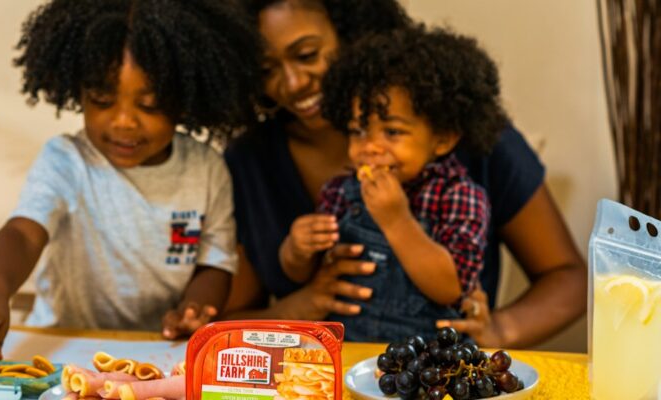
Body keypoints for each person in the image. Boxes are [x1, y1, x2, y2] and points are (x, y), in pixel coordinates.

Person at [223, 0, 586, 348]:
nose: (292, 83)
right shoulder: (254, 161)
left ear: (353, 33)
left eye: (307, 55)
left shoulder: (471, 145)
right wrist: (295, 305)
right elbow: (230, 318)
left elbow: (568, 278)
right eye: (266, 70)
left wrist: (499, 331)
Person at [0, 0, 261, 363]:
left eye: (150, 105)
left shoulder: (207, 169)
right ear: (79, 93)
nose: (124, 121)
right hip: (62, 342)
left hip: (157, 347)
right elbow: (23, 233)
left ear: (185, 102)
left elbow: (215, 263)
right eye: (102, 100)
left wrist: (194, 310)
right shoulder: (66, 161)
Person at [276, 25, 506, 342]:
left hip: (426, 359)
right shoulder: (340, 190)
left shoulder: (459, 195)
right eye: (358, 131)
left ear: (443, 138)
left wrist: (396, 220)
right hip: (348, 351)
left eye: (393, 132)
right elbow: (307, 273)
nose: (370, 146)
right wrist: (296, 250)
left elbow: (451, 288)